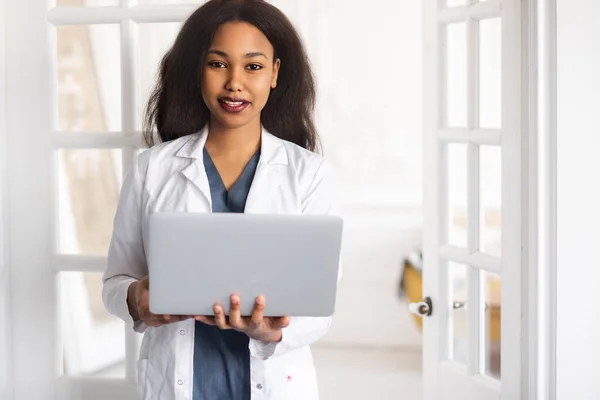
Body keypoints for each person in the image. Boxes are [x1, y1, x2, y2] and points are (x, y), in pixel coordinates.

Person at [102, 1, 339, 399]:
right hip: (179, 382)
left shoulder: (309, 174)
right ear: (198, 70)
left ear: (275, 73)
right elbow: (115, 282)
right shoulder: (152, 169)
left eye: (253, 66)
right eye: (217, 64)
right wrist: (138, 299)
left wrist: (270, 330)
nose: (234, 83)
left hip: (275, 382)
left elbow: (320, 307)